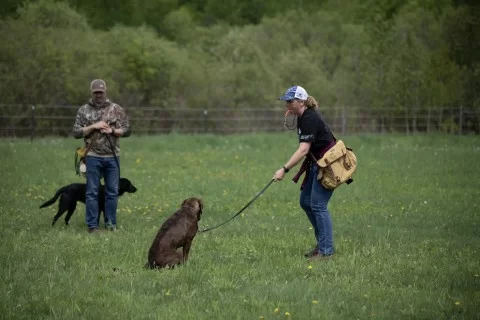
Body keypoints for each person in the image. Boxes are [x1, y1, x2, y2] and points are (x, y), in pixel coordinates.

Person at [273, 85, 336, 260]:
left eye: (290, 101)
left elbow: (303, 150)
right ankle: (322, 245)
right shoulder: (303, 117)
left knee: (317, 205)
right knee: (306, 201)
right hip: (317, 163)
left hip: (327, 165)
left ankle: (326, 251)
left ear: (301, 101)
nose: (287, 105)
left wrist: (284, 169)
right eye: (286, 102)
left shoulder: (308, 118)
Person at [73, 79, 131, 233]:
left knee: (112, 192)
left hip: (112, 156)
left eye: (101, 92)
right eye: (96, 92)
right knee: (92, 192)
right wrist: (94, 126)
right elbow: (76, 132)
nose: (99, 94)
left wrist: (113, 131)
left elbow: (127, 130)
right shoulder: (83, 110)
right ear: (92, 92)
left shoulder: (116, 109)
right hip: (92, 156)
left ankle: (111, 224)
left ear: (105, 91)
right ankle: (92, 226)